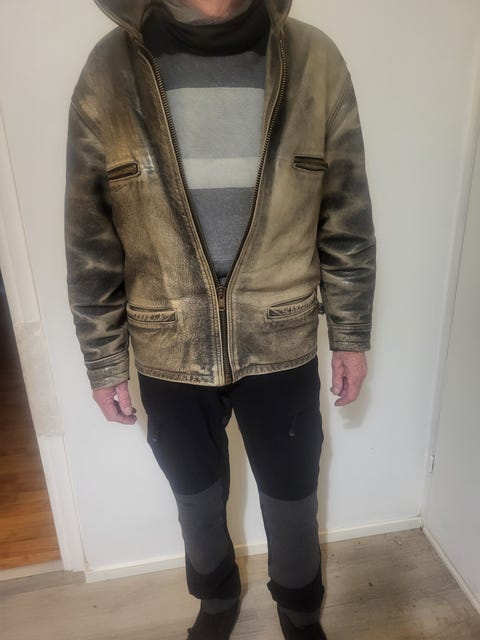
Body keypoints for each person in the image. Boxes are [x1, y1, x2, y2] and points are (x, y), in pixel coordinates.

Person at [65, 0, 376, 638]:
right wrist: (103, 359)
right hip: (167, 343)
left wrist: (349, 334)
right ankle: (215, 598)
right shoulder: (109, 70)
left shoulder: (314, 60)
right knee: (196, 497)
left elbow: (346, 214)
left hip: (282, 336)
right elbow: (89, 236)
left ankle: (300, 608)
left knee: (292, 494)